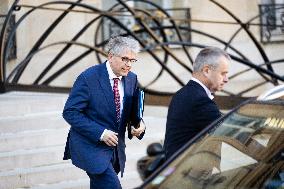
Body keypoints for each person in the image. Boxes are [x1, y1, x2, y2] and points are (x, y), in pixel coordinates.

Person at [62, 36, 146, 189]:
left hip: (115, 150)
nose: (128, 65)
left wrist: (139, 124)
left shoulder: (131, 79)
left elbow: (131, 111)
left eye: (132, 60)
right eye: (125, 59)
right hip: (90, 147)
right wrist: (101, 133)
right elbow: (70, 112)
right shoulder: (88, 77)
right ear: (110, 56)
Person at [163, 47, 230, 160]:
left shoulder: (183, 93)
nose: (226, 79)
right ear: (206, 71)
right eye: (223, 74)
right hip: (188, 174)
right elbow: (231, 132)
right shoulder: (199, 100)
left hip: (180, 170)